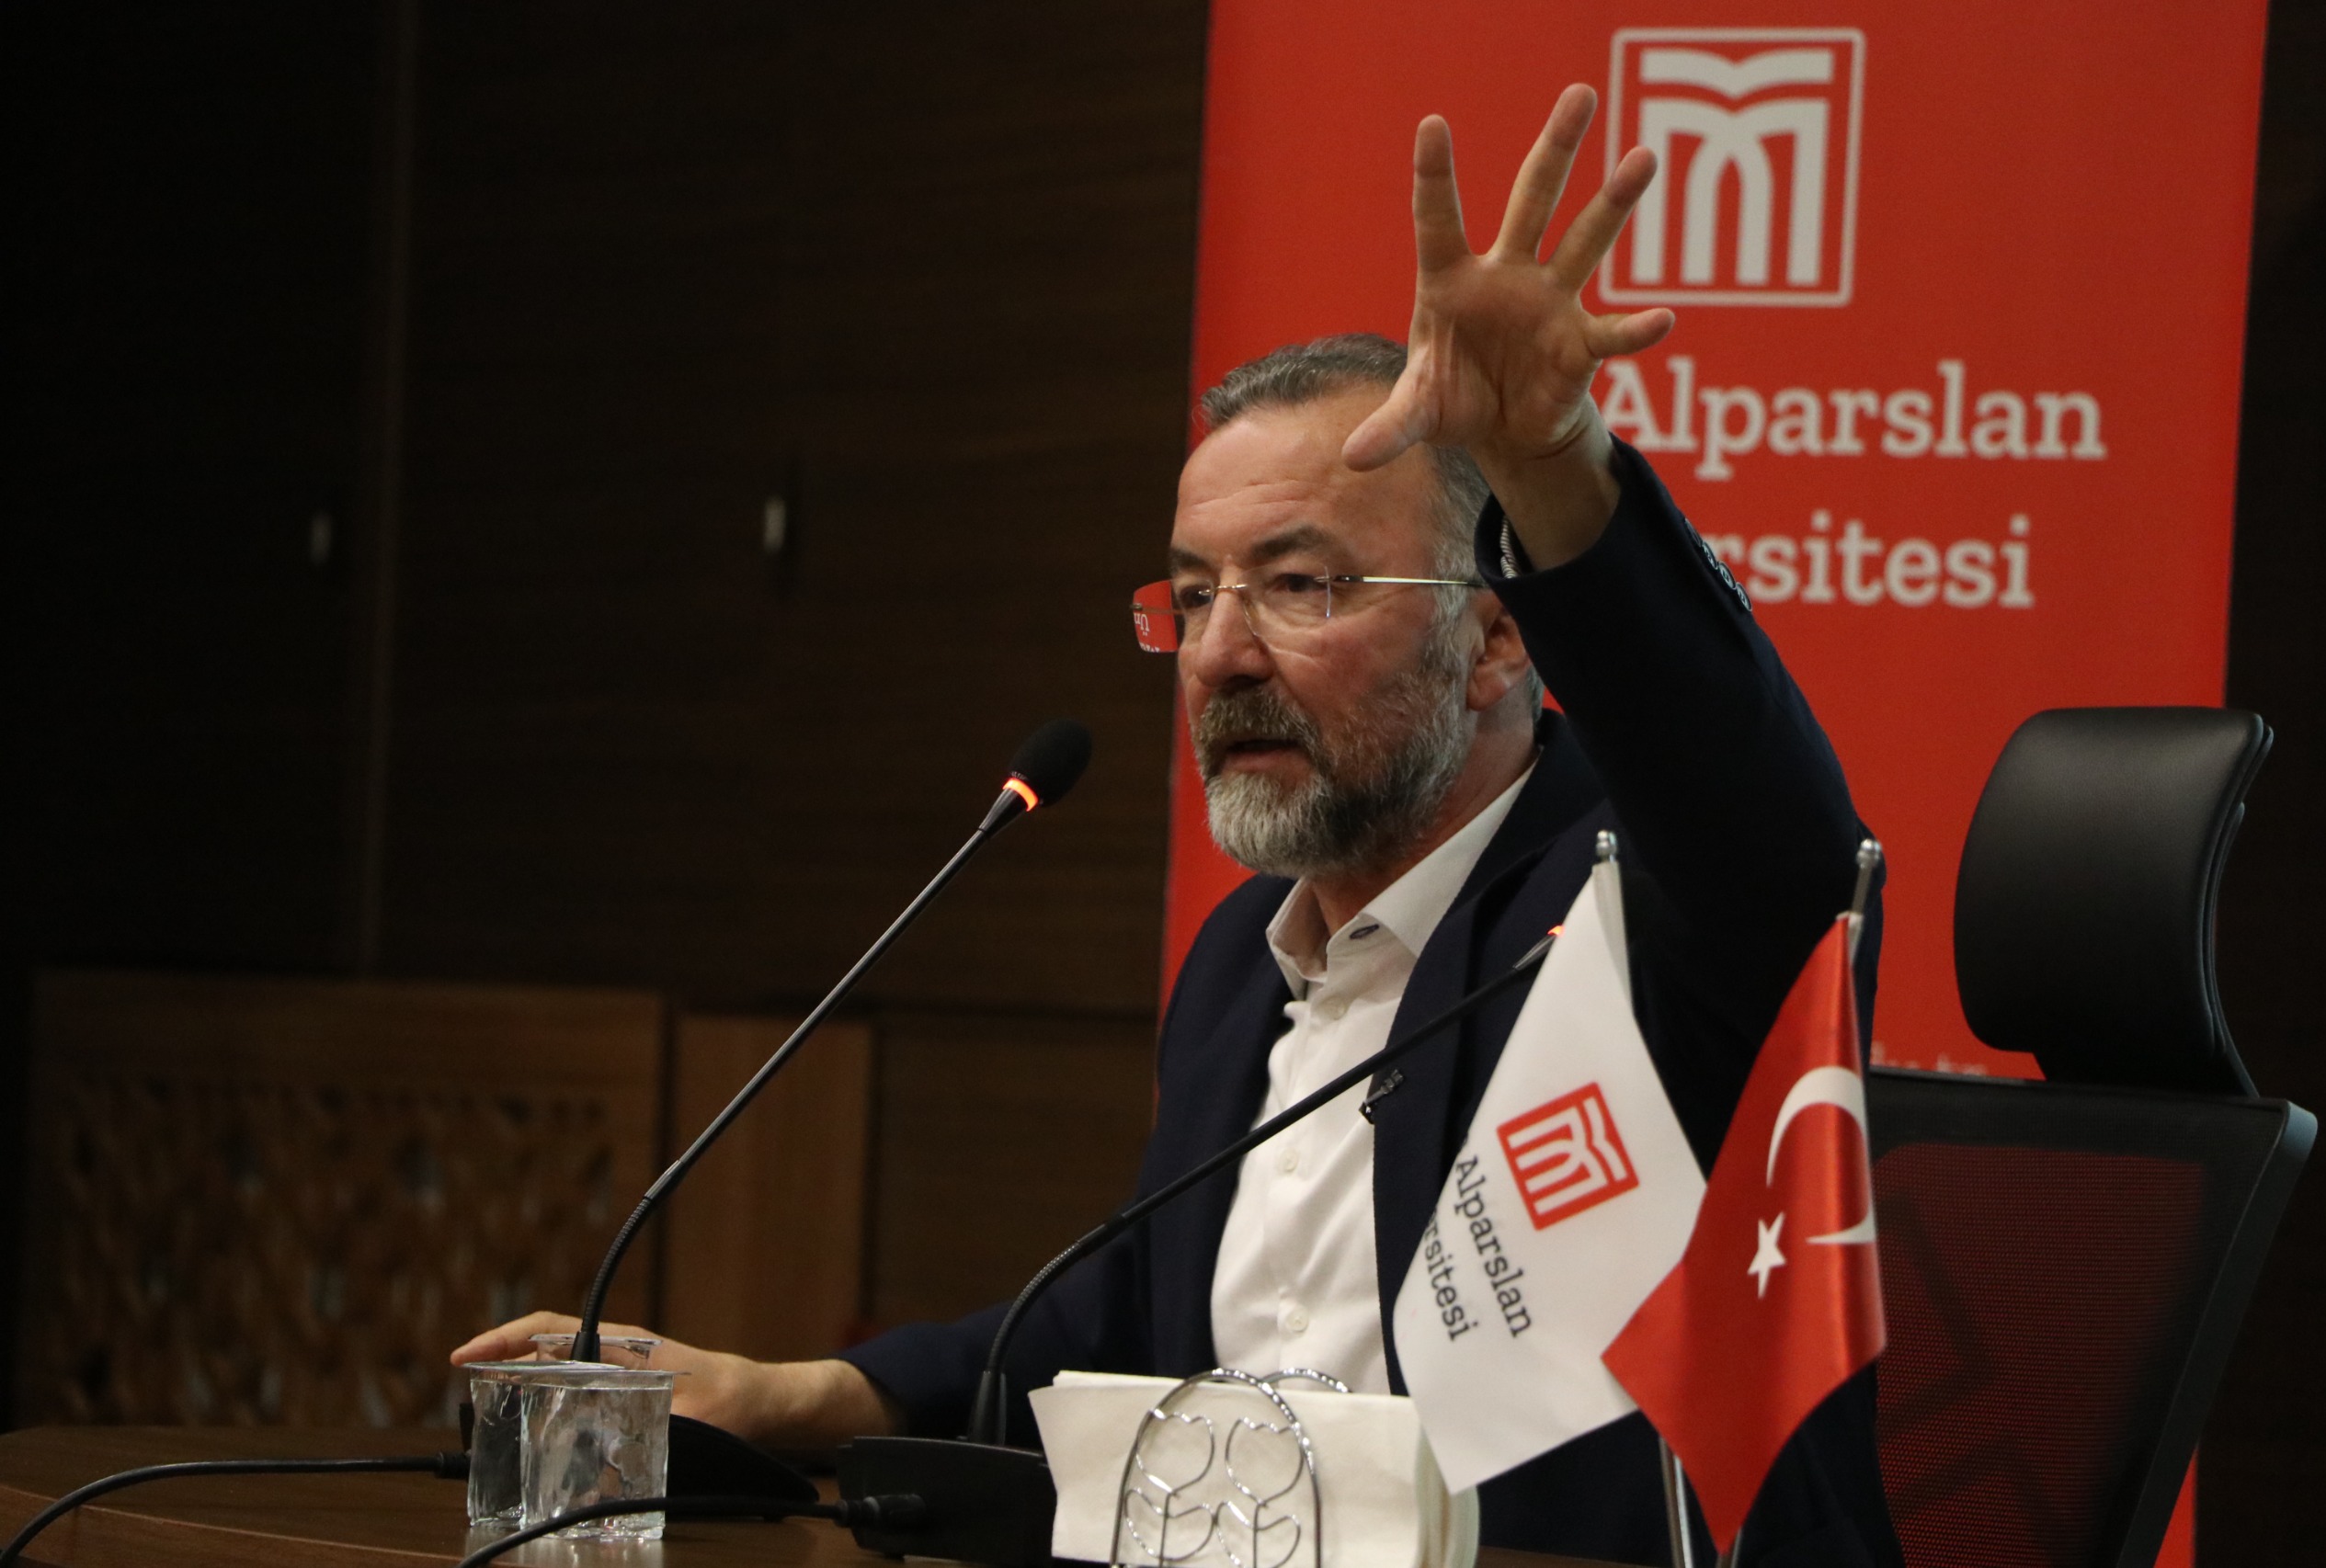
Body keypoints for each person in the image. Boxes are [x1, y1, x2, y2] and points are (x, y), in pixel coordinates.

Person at [453, 84, 1901, 1566]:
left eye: (1300, 583)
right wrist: (796, 1392)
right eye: (1195, 593)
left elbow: (1778, 844)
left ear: (1495, 637)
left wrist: (1550, 466)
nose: (1218, 653)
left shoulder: (1637, 913)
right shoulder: (1240, 966)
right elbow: (1118, 1321)